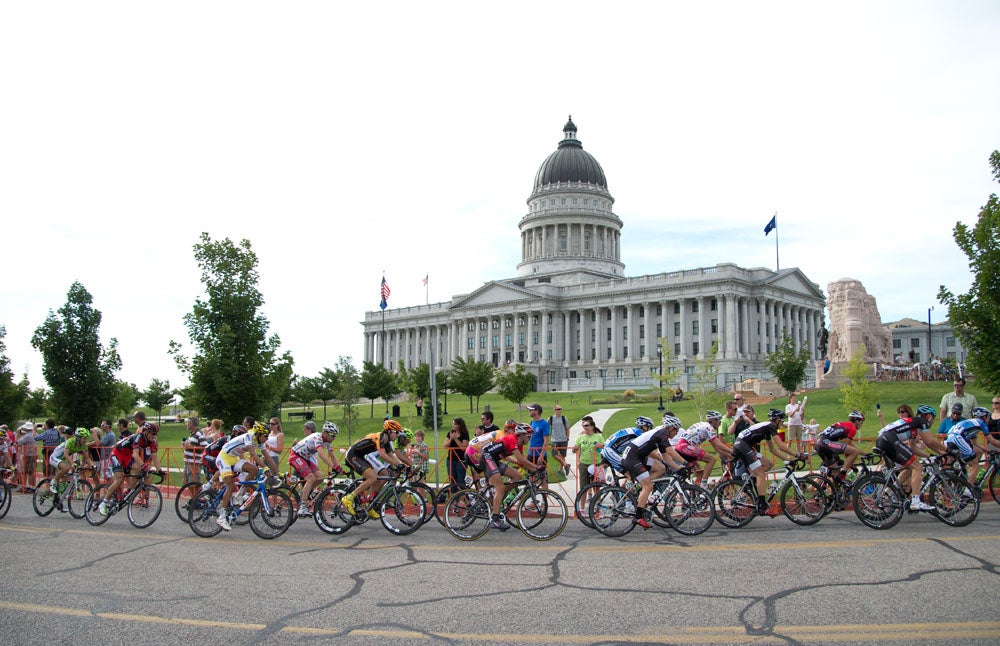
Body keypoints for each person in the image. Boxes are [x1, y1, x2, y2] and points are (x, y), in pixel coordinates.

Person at [874, 404, 947, 512]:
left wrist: (931, 456)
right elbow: (930, 441)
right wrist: (947, 451)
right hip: (889, 439)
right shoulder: (920, 421)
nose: (932, 421)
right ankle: (916, 501)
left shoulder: (913, 424)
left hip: (883, 439)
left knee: (910, 466)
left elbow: (913, 448)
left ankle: (890, 492)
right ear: (928, 416)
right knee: (918, 466)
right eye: (933, 418)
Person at [620, 414, 688, 529]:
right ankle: (638, 517)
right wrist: (686, 463)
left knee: (661, 468)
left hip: (636, 457)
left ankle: (640, 491)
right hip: (632, 458)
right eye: (676, 431)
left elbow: (666, 458)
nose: (676, 434)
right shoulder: (662, 434)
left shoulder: (660, 435)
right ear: (671, 428)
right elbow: (671, 452)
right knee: (648, 487)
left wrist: (679, 468)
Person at [732, 409, 803, 515]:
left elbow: (773, 450)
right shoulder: (771, 426)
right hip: (742, 445)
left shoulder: (767, 428)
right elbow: (781, 446)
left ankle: (751, 481)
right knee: (760, 473)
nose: (782, 423)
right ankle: (761, 504)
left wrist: (788, 460)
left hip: (743, 445)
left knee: (768, 464)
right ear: (777, 420)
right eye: (782, 421)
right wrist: (797, 455)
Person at [341, 420, 413, 520]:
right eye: (396, 433)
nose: (397, 435)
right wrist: (398, 464)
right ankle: (349, 498)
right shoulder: (381, 437)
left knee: (380, 476)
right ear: (389, 431)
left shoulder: (387, 441)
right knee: (373, 477)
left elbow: (391, 455)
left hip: (361, 456)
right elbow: (383, 455)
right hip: (353, 455)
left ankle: (369, 504)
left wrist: (404, 466)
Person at [477, 422, 544, 531]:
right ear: (522, 435)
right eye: (529, 436)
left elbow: (521, 463)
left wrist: (536, 471)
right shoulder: (512, 439)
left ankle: (498, 497)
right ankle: (495, 519)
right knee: (501, 487)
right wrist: (536, 467)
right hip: (486, 457)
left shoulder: (520, 445)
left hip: (494, 460)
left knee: (517, 476)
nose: (530, 439)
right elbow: (521, 459)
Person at [214, 423, 278, 531]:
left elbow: (267, 456)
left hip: (233, 458)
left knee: (254, 469)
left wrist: (277, 471)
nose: (266, 439)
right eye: (265, 436)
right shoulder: (249, 437)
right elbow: (253, 454)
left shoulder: (260, 441)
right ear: (258, 434)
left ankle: (240, 494)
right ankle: (222, 516)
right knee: (230, 485)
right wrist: (265, 468)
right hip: (224, 458)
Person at [98, 421, 163, 516]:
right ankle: (104, 503)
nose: (154, 436)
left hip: (127, 457)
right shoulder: (138, 437)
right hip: (117, 454)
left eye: (155, 434)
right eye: (153, 433)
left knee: (140, 469)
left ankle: (127, 492)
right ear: (146, 432)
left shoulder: (151, 442)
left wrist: (160, 470)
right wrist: (143, 465)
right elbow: (135, 454)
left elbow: (154, 456)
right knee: (119, 479)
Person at [289, 421, 343, 517]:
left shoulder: (327, 442)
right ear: (325, 433)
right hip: (296, 456)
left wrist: (339, 468)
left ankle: (304, 494)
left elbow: (333, 456)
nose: (334, 438)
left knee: (320, 477)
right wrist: (333, 466)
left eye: (335, 436)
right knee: (310, 478)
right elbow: (322, 454)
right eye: (332, 435)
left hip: (305, 458)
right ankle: (302, 507)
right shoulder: (317, 437)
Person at [673, 410, 733, 487]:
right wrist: (733, 452)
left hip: (681, 447)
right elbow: (719, 445)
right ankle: (704, 485)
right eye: (719, 421)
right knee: (711, 459)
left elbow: (716, 448)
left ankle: (697, 493)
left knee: (700, 473)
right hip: (686, 446)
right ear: (713, 420)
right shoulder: (709, 427)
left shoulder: (704, 426)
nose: (720, 423)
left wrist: (728, 455)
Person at [945, 407, 999, 489]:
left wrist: (989, 450)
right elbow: (992, 440)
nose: (989, 419)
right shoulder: (981, 423)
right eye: (988, 417)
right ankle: (968, 491)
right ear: (983, 417)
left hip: (950, 439)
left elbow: (975, 444)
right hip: (958, 438)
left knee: (977, 453)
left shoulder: (972, 424)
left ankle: (961, 481)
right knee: (975, 465)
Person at [814, 411, 866, 485]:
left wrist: (864, 454)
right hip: (826, 443)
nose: (861, 424)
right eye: (861, 422)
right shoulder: (852, 428)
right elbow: (848, 447)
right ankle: (843, 473)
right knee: (855, 452)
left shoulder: (845, 424)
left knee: (836, 472)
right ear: (857, 421)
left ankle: (834, 494)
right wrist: (849, 465)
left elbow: (849, 446)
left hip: (820, 444)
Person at [51, 428, 95, 507]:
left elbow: (87, 457)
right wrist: (72, 463)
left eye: (86, 438)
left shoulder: (83, 446)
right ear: (78, 438)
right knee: (66, 468)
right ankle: (54, 482)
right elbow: (66, 454)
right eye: (84, 438)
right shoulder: (71, 441)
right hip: (55, 457)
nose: (85, 440)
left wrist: (92, 466)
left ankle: (59, 501)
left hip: (62, 460)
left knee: (65, 481)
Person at [572, 416, 603, 493]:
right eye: (583, 425)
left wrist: (601, 446)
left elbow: (604, 448)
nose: (584, 427)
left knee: (596, 487)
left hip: (596, 463)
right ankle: (585, 501)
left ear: (592, 426)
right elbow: (575, 450)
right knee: (584, 487)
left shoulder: (598, 435)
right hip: (584, 463)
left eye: (586, 425)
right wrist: (575, 451)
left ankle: (596, 503)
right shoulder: (581, 436)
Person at [444, 417, 470, 488]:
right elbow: (445, 445)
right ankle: (453, 497)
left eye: (455, 424)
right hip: (451, 459)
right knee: (452, 479)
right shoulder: (450, 433)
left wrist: (455, 439)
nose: (453, 426)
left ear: (459, 425)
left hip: (461, 459)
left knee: (460, 479)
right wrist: (451, 439)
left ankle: (462, 496)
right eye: (453, 424)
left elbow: (463, 447)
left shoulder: (464, 434)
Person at [182, 416, 208, 484]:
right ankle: (193, 495)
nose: (186, 424)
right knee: (186, 482)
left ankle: (198, 495)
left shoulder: (200, 433)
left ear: (191, 424)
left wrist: (192, 447)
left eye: (187, 422)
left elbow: (205, 447)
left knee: (193, 483)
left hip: (194, 463)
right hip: (188, 461)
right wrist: (185, 445)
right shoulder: (192, 434)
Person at [526, 403, 550, 474]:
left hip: (539, 455)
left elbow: (546, 441)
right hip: (531, 453)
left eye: (531, 410)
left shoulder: (544, 424)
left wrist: (541, 455)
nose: (529, 411)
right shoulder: (532, 422)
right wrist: (528, 453)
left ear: (537, 411)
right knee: (530, 476)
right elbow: (531, 439)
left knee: (542, 478)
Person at [15, 422, 37, 492]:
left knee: (27, 471)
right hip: (33, 454)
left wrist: (18, 435)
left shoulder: (27, 436)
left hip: (28, 454)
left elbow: (18, 442)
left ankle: (28, 487)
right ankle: (30, 486)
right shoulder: (35, 434)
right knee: (31, 471)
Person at [548, 405, 570, 475]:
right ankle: (566, 465)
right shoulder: (551, 418)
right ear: (554, 410)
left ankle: (559, 470)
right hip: (554, 440)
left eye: (560, 409)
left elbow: (567, 429)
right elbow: (546, 426)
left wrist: (567, 438)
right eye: (558, 409)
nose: (559, 410)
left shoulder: (564, 418)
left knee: (562, 456)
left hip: (563, 439)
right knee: (554, 454)